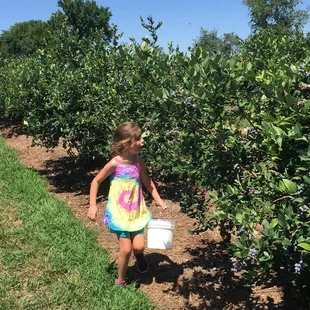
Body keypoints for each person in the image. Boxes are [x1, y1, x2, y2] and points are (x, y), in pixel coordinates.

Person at [87, 121, 167, 286]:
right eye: (138, 139)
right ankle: (121, 280)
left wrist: (158, 200)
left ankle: (139, 257)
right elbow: (96, 181)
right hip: (120, 213)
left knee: (138, 247)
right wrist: (93, 205)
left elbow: (147, 181)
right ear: (127, 144)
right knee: (126, 249)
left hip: (136, 211)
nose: (142, 141)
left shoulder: (138, 160)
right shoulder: (115, 163)